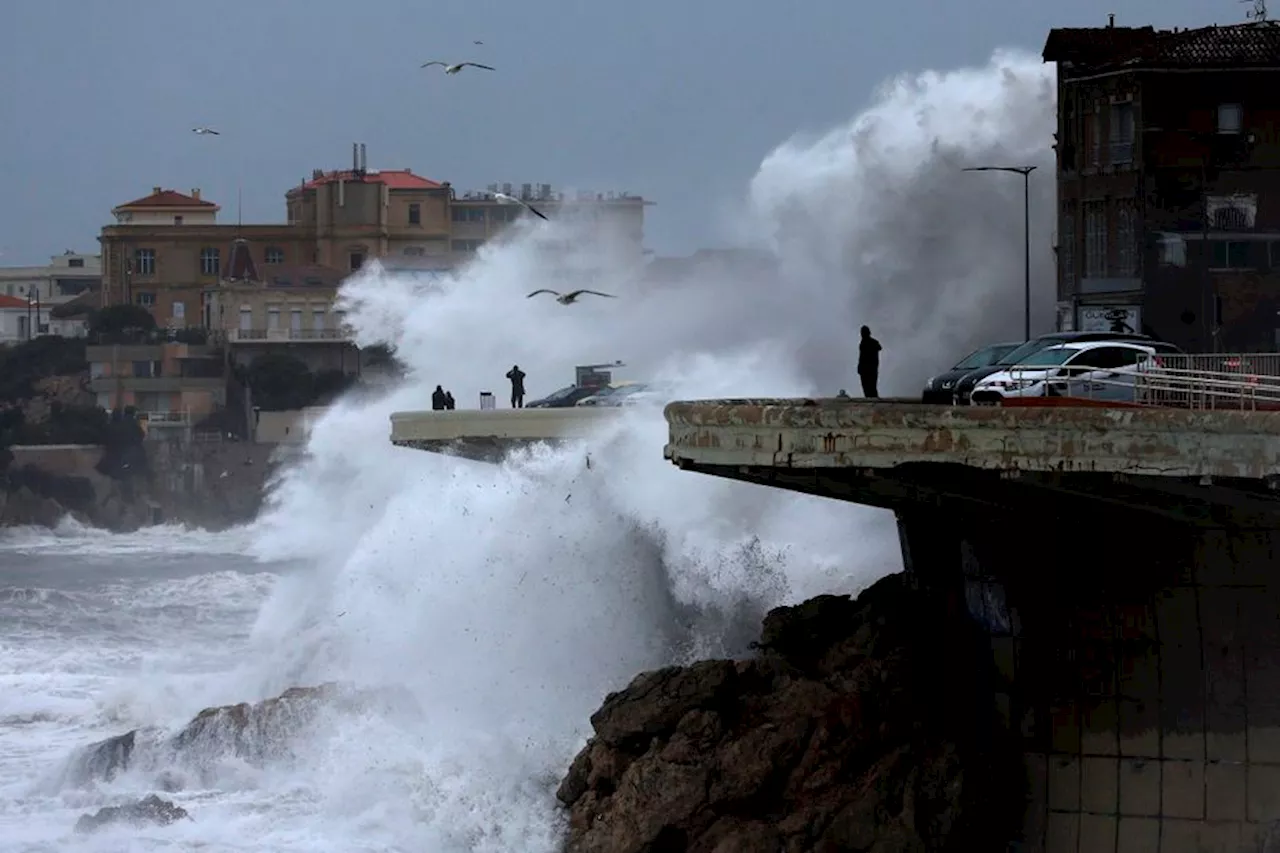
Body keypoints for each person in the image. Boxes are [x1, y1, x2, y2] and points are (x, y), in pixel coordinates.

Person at [857, 325, 882, 399]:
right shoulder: (871, 342)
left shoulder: (866, 343)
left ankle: (872, 399)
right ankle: (872, 399)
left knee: (869, 387)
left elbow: (862, 357)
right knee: (870, 387)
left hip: (868, 368)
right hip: (870, 368)